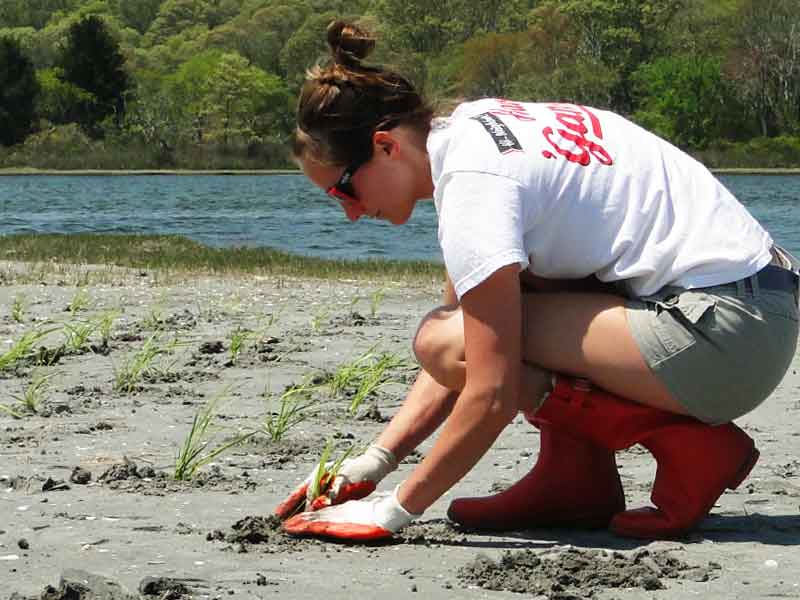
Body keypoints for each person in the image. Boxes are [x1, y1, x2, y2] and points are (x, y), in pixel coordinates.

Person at [275, 20, 800, 541]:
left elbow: (489, 387)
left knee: (443, 338)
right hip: (756, 314)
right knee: (484, 316)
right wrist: (375, 461)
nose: (349, 214)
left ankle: (689, 446)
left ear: (386, 146)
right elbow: (474, 326)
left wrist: (391, 511)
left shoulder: (475, 186)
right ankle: (573, 484)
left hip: (724, 336)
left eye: (344, 192)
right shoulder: (478, 128)